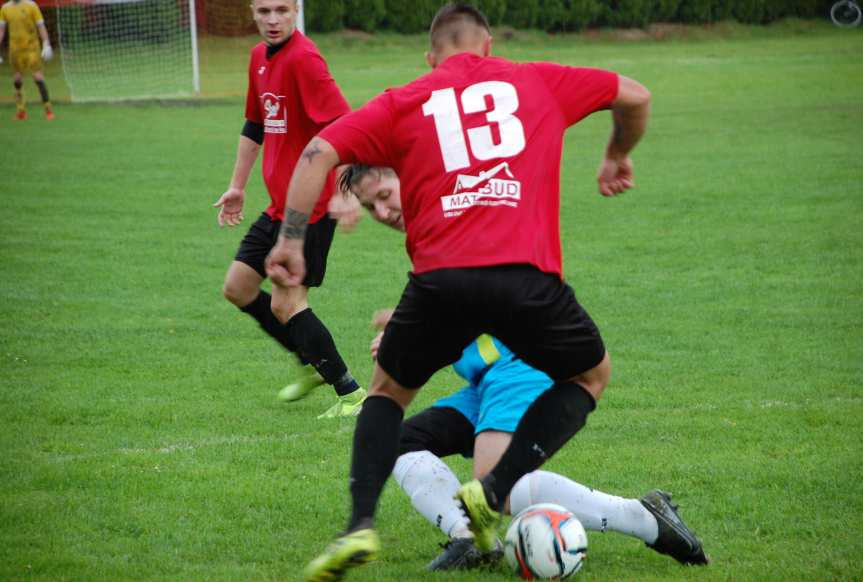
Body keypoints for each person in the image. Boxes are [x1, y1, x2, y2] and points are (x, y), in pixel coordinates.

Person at [266, 3, 652, 579]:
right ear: (489, 45)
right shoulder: (537, 80)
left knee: (386, 395)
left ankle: (358, 526)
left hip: (439, 281)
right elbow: (637, 95)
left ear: (431, 56)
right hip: (528, 278)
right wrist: (617, 153)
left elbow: (319, 151)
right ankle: (492, 491)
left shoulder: (406, 99)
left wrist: (292, 239)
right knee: (590, 376)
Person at [352, 166, 707, 571]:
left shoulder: (457, 219)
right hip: (486, 379)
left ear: (412, 177)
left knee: (496, 490)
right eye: (368, 207)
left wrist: (410, 334)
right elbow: (456, 306)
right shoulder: (428, 234)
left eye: (384, 195)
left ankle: (644, 518)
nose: (380, 212)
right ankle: (470, 539)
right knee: (400, 441)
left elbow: (485, 297)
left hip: (518, 367)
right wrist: (406, 330)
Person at [213, 0, 365, 419]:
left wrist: (346, 192)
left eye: (281, 9)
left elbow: (344, 126)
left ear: (295, 11)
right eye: (264, 11)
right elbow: (255, 124)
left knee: (286, 303)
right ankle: (311, 359)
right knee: (238, 287)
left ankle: (351, 393)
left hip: (311, 206)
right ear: (252, 12)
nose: (273, 19)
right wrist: (237, 187)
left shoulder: (305, 59)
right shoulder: (258, 57)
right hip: (278, 205)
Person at [0, 0, 55, 121]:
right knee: (17, 80)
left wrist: (46, 44)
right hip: (15, 50)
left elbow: (41, 26)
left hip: (32, 48)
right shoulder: (5, 8)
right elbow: (1, 31)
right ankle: (21, 112)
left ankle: (48, 110)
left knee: (38, 77)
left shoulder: (31, 6)